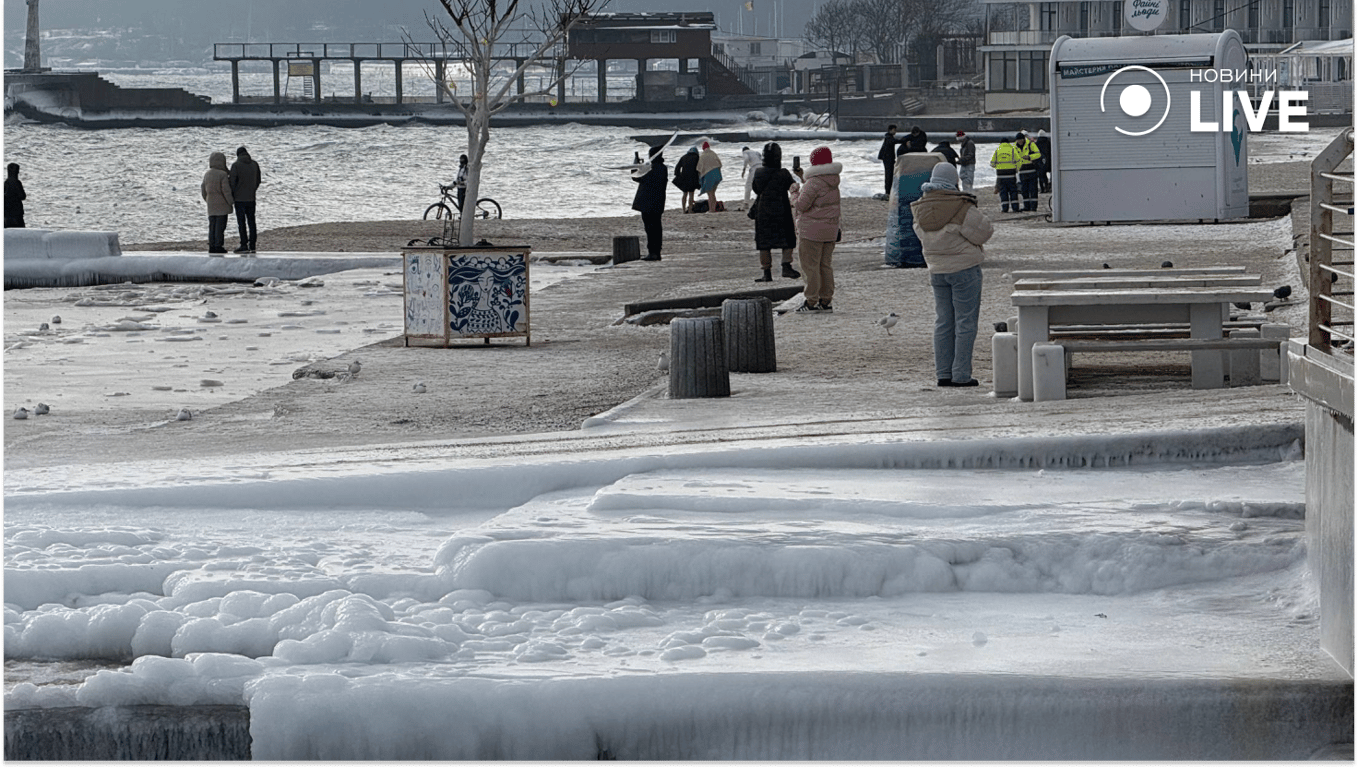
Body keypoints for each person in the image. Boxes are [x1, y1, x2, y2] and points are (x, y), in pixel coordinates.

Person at [910, 162, 994, 388]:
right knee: (965, 322)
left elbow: (920, 234)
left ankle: (943, 373)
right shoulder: (961, 206)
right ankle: (961, 375)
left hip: (937, 270)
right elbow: (983, 233)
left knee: (943, 322)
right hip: (964, 269)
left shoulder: (920, 207)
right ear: (953, 180)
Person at [790, 146, 842, 313]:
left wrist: (794, 193)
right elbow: (819, 195)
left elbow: (801, 206)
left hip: (811, 231)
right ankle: (826, 300)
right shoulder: (833, 180)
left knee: (810, 266)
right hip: (830, 230)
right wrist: (803, 178)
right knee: (825, 265)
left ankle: (811, 301)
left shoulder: (813, 182)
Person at [750, 142, 800, 283]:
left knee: (764, 242)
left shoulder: (759, 172)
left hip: (763, 210)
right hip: (781, 209)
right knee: (788, 239)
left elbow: (756, 189)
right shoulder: (783, 173)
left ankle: (767, 272)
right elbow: (791, 186)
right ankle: (786, 266)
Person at [631, 146, 667, 261]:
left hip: (647, 203)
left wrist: (635, 164)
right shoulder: (663, 168)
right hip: (658, 202)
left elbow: (635, 176)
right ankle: (656, 252)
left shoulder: (649, 168)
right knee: (657, 227)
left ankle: (653, 252)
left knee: (650, 228)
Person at [229, 146, 261, 254]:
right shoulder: (255, 164)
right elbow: (258, 180)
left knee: (241, 222)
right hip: (251, 198)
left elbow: (232, 183)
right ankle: (252, 245)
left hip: (239, 199)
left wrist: (233, 194)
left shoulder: (235, 166)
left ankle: (244, 245)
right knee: (252, 222)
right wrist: (252, 190)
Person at [200, 151, 234, 255]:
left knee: (212, 226)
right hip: (222, 205)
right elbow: (226, 191)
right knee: (220, 227)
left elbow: (203, 190)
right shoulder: (222, 174)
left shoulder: (207, 174)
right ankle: (218, 246)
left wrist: (208, 200)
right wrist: (231, 202)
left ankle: (212, 245)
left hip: (211, 205)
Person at [990, 136, 1020, 213]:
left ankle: (1005, 208)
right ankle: (1015, 208)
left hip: (1001, 175)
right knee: (1013, 191)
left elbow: (992, 163)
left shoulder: (998, 150)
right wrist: (1016, 169)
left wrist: (999, 166)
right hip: (1011, 174)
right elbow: (1018, 161)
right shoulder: (1012, 149)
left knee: (1003, 192)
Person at [1015, 132, 1041, 212]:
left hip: (1031, 170)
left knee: (1033, 190)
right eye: (1018, 140)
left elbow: (1038, 154)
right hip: (1022, 171)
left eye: (1020, 140)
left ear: (1023, 139)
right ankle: (1026, 206)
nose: (1019, 142)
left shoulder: (1030, 144)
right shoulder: (1015, 147)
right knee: (1024, 190)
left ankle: (1033, 207)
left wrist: (1029, 157)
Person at [697, 141, 723, 213]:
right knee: (713, 193)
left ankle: (711, 210)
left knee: (710, 193)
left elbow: (699, 168)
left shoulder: (703, 155)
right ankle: (713, 208)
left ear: (703, 148)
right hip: (717, 175)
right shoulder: (713, 153)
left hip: (709, 175)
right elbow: (720, 164)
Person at [672, 146, 700, 213]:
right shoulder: (697, 158)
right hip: (693, 177)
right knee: (691, 194)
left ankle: (683, 209)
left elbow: (677, 167)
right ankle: (690, 209)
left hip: (684, 177)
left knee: (684, 194)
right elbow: (700, 168)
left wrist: (678, 176)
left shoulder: (683, 157)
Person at [877, 124, 899, 197]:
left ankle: (888, 191)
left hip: (888, 158)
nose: (895, 131)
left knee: (889, 175)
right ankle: (888, 192)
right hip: (887, 159)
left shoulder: (888, 137)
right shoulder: (888, 137)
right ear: (890, 130)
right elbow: (894, 141)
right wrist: (904, 141)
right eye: (894, 130)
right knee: (888, 175)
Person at [3, 163, 26, 228]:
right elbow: (22, 196)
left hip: (7, 215)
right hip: (16, 214)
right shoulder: (16, 182)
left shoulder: (5, 183)